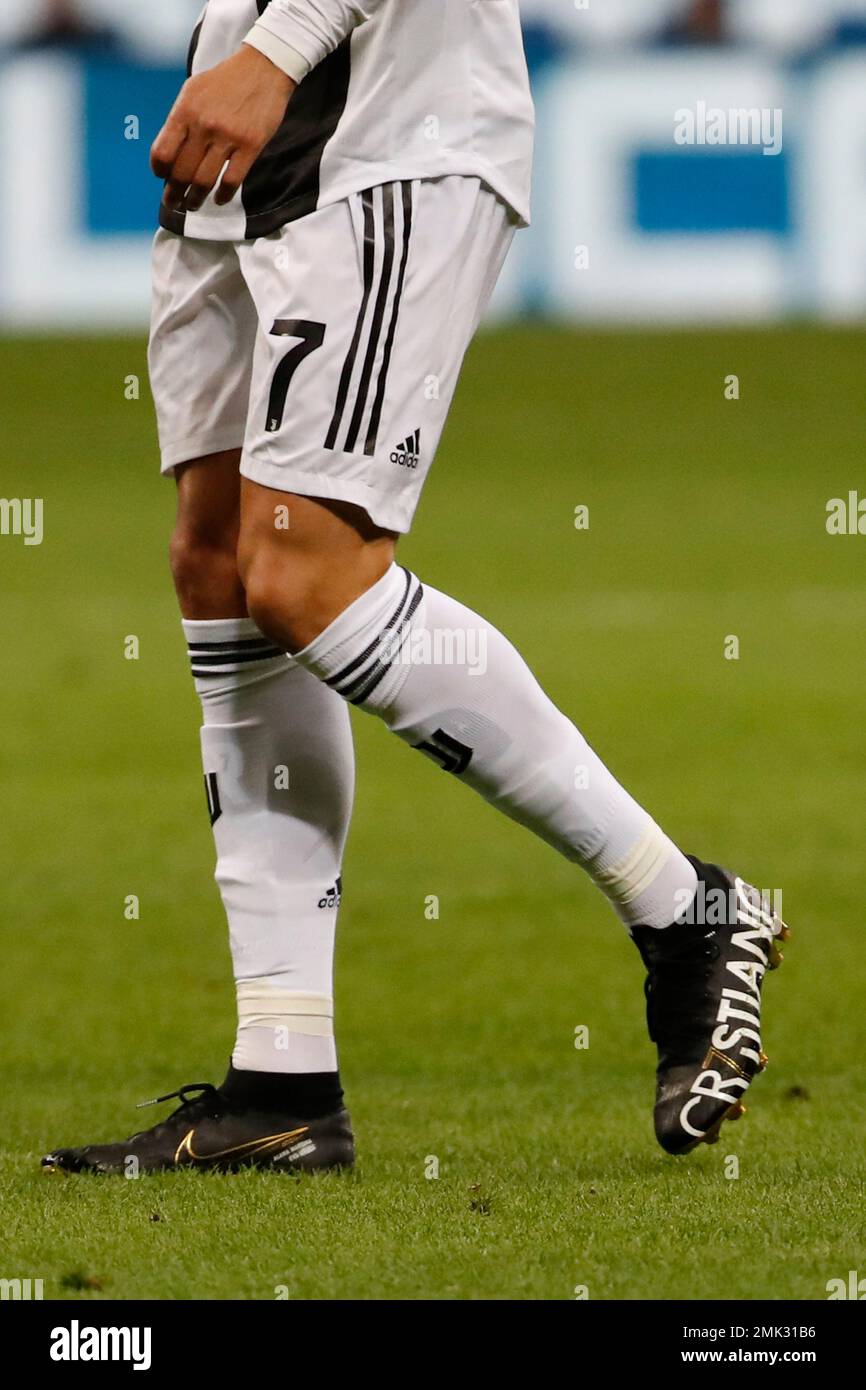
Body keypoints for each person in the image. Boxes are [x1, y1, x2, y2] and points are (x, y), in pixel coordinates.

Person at [43, 0, 788, 1176]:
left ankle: (683, 906)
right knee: (220, 560)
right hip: (238, 127)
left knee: (307, 572)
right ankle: (279, 1084)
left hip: (381, 116)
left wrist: (279, 51)